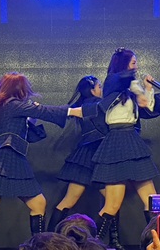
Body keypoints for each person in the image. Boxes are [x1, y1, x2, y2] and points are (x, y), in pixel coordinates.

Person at [0, 73, 83, 242]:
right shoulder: (13, 104)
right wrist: (75, 111)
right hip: (7, 157)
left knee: (37, 204)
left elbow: (25, 129)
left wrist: (32, 116)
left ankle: (39, 246)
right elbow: (43, 111)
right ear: (18, 89)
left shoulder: (7, 106)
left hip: (8, 157)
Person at [86, 48, 160, 249]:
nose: (136, 66)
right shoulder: (113, 81)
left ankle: (154, 243)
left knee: (152, 201)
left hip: (132, 140)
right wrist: (135, 83)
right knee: (112, 205)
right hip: (116, 140)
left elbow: (147, 106)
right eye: (133, 62)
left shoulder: (132, 87)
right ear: (123, 64)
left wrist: (148, 88)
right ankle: (92, 245)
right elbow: (120, 79)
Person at [50, 76, 104, 230]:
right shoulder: (97, 105)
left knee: (69, 200)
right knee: (112, 202)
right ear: (92, 90)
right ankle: (112, 240)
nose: (102, 90)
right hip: (95, 155)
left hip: (88, 156)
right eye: (99, 86)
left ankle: (49, 236)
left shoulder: (82, 105)